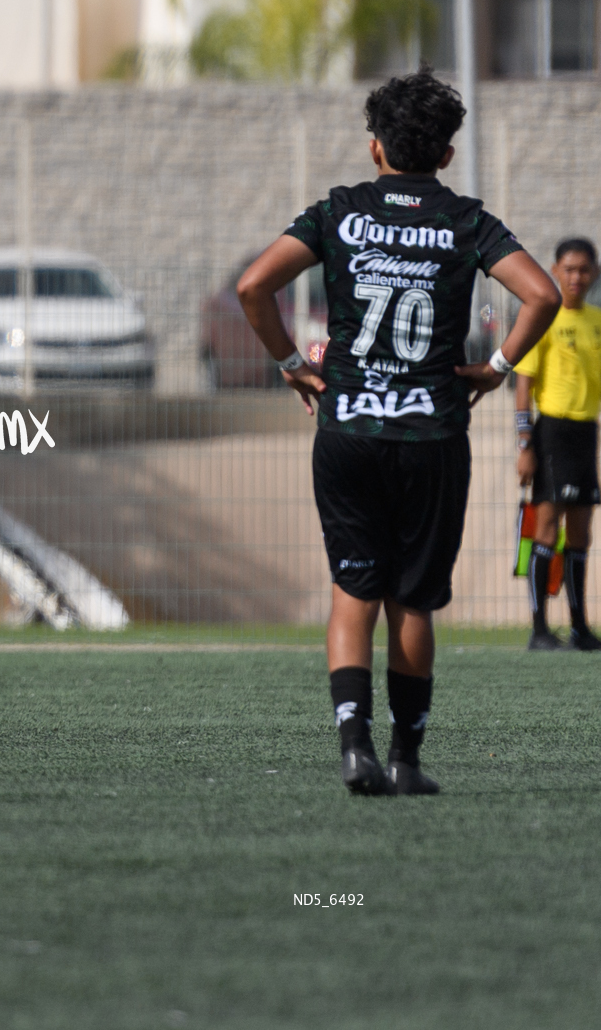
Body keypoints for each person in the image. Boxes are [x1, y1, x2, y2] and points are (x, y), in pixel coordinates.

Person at [237, 70, 559, 797]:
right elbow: (542, 294)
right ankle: (407, 759)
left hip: (348, 426)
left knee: (354, 591)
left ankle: (355, 748)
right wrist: (499, 365)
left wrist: (291, 363)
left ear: (375, 145)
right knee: (411, 602)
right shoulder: (467, 219)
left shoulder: (340, 210)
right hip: (431, 432)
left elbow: (254, 286)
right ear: (447, 155)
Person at [514, 237, 601, 651]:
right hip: (551, 433)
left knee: (582, 533)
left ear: (594, 274)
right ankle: (539, 629)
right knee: (547, 529)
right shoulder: (544, 319)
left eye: (584, 270)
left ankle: (580, 628)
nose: (576, 277)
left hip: (586, 433)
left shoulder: (597, 321)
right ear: (555, 271)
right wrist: (524, 442)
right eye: (569, 269)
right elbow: (524, 381)